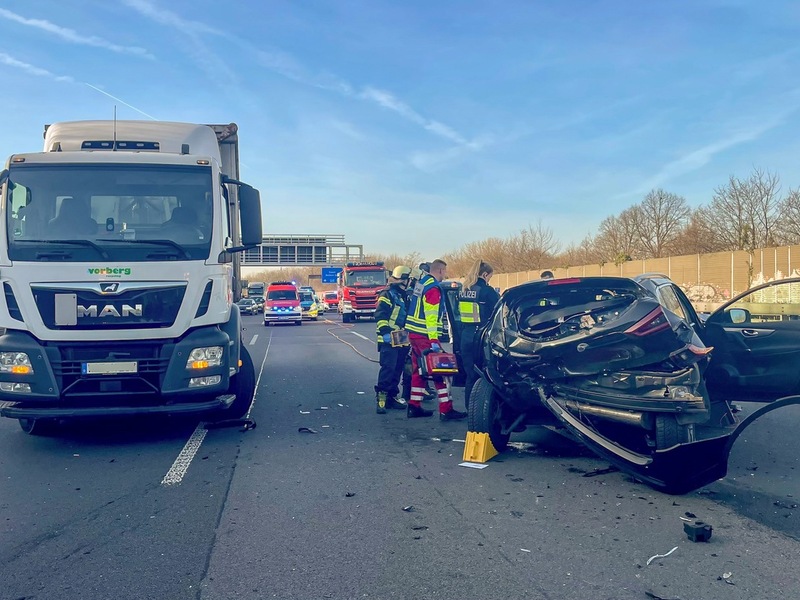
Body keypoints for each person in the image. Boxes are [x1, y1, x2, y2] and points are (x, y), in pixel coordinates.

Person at [405, 259, 467, 421]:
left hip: (414, 334)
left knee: (419, 371)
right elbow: (431, 316)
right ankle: (446, 409)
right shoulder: (433, 288)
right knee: (440, 371)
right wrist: (434, 341)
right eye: (445, 272)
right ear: (440, 271)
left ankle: (414, 405)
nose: (445, 275)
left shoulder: (422, 284)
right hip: (426, 335)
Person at [458, 259, 501, 409]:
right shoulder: (487, 291)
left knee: (470, 375)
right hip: (482, 337)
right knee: (487, 375)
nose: (490, 280)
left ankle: (470, 409)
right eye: (490, 276)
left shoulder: (463, 289)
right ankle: (483, 410)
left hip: (466, 336)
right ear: (484, 274)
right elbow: (498, 313)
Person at [374, 265, 412, 414]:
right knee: (388, 369)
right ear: (403, 280)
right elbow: (380, 315)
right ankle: (381, 400)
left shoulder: (404, 295)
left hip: (401, 338)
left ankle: (391, 397)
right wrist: (385, 332)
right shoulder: (387, 294)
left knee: (398, 369)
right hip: (388, 339)